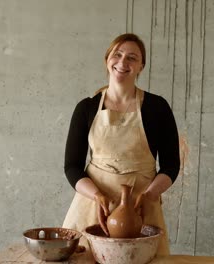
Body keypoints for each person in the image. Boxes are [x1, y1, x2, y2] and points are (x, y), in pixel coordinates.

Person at [62, 33, 180, 256]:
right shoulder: (86, 108)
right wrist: (97, 196)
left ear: (141, 66)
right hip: (94, 205)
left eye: (132, 58)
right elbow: (72, 167)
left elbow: (171, 165)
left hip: (142, 208)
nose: (123, 62)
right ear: (108, 59)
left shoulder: (157, 107)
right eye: (117, 54)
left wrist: (149, 195)